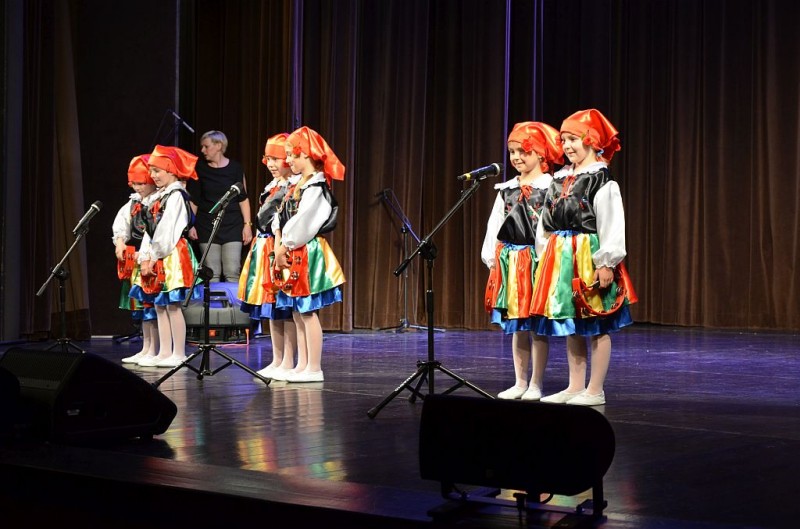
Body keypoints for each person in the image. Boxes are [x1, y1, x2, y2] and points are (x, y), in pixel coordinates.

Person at [532, 109, 637, 406]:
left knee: (596, 322)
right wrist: (544, 255)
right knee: (572, 322)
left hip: (588, 254)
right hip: (561, 255)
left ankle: (595, 389)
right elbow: (545, 221)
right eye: (564, 140)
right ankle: (575, 386)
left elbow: (611, 222)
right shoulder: (560, 178)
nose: (566, 146)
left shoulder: (601, 179)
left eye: (573, 139)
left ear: (590, 140)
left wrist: (606, 263)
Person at [482, 121, 564, 400]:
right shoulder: (506, 189)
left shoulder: (550, 187)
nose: (516, 157)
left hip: (537, 260)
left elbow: (552, 226)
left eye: (523, 151)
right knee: (518, 324)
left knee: (537, 325)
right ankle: (519, 381)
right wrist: (493, 260)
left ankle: (536, 383)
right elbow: (495, 225)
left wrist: (549, 259)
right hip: (512, 260)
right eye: (512, 152)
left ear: (540, 154)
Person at [272, 126, 346, 383]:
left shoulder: (316, 187)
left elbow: (304, 222)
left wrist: (285, 245)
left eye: (291, 155)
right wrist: (280, 244)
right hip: (294, 249)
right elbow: (281, 216)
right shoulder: (299, 185)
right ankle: (302, 364)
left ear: (305, 154)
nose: (288, 160)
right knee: (297, 311)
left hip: (306, 250)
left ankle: (314, 367)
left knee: (307, 310)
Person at [237, 133, 299, 379]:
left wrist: (279, 246)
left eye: (276, 159)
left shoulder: (292, 187)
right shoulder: (273, 186)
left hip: (279, 247)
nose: (271, 164)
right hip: (264, 246)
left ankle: (289, 360)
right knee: (271, 306)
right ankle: (277, 359)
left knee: (284, 306)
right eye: (268, 159)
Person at [133, 145, 201, 368]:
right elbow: (150, 230)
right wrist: (146, 255)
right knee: (160, 304)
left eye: (157, 171)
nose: (152, 175)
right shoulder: (160, 196)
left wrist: (154, 256)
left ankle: (178, 352)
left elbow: (167, 230)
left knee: (172, 305)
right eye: (151, 171)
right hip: (159, 252)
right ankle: (164, 351)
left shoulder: (176, 196)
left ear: (171, 170)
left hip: (172, 253)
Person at [187, 130, 253, 282]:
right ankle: (212, 299)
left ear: (218, 146)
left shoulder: (235, 168)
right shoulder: (199, 169)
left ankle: (233, 299)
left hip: (232, 225)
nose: (203, 150)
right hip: (206, 226)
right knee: (212, 273)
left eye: (206, 146)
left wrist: (247, 225)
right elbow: (194, 200)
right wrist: (191, 225)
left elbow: (243, 198)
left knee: (232, 271)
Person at [114, 154, 159, 364]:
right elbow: (121, 223)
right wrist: (120, 242)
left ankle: (155, 349)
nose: (138, 188)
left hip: (152, 258)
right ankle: (146, 347)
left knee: (153, 306)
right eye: (134, 183)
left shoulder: (157, 202)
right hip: (137, 259)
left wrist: (148, 255)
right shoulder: (133, 203)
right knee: (142, 307)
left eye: (142, 183)